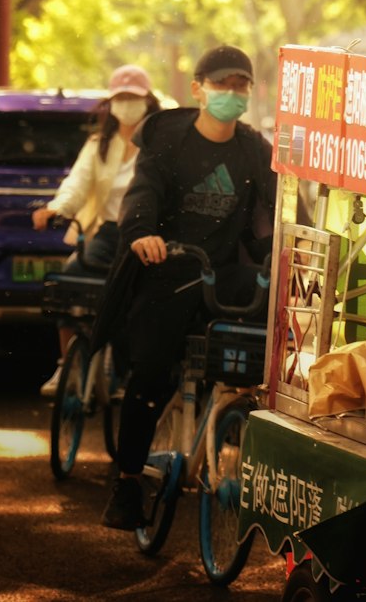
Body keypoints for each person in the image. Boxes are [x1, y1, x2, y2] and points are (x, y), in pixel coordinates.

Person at [97, 43, 276, 531]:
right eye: (222, 85)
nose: (232, 94)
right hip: (167, 272)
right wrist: (142, 235)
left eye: (241, 86)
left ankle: (233, 431)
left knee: (262, 346)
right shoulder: (169, 141)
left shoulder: (254, 149)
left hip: (221, 273)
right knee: (151, 373)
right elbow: (142, 195)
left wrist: (280, 255)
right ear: (198, 90)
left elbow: (271, 215)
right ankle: (128, 480)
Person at [32, 63, 162, 396]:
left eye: (133, 97)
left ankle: (129, 370)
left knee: (140, 299)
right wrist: (57, 209)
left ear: (148, 101)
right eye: (120, 97)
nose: (126, 104)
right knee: (69, 282)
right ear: (110, 103)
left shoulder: (161, 143)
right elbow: (76, 184)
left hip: (146, 235)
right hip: (106, 233)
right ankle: (67, 366)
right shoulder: (98, 145)